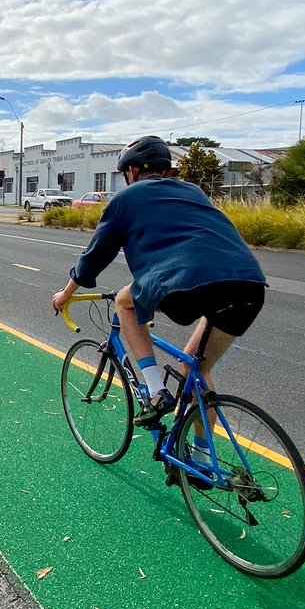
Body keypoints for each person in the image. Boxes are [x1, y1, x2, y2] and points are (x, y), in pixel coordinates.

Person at [51, 136, 267, 428]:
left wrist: (66, 294)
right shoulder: (193, 191)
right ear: (164, 169)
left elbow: (93, 257)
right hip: (248, 284)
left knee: (124, 303)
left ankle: (156, 391)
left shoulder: (126, 199)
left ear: (133, 171)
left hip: (184, 282)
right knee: (196, 370)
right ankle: (203, 462)